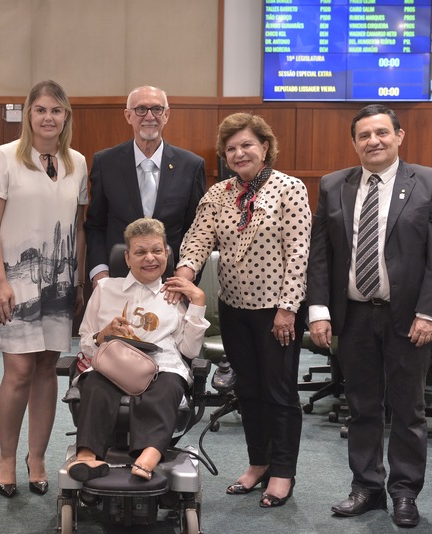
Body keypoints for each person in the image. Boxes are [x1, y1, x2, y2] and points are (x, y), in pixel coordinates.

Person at [307, 104, 432, 528]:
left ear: (399, 136)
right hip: (355, 315)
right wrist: (318, 310)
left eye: (381, 133)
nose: (373, 141)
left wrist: (429, 313)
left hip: (410, 318)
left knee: (408, 409)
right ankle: (367, 487)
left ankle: (405, 491)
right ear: (354, 143)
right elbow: (320, 254)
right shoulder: (333, 184)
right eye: (364, 135)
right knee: (361, 407)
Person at [175, 113, 311, 508]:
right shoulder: (219, 194)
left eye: (247, 144)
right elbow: (197, 241)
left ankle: (282, 471)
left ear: (265, 147)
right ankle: (258, 463)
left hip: (277, 312)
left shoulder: (290, 188)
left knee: (279, 392)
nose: (239, 153)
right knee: (247, 390)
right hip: (234, 309)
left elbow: (299, 254)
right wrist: (182, 280)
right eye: (231, 148)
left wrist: (288, 310)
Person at [0, 80, 87, 498]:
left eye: (56, 110)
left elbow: (78, 228)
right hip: (15, 282)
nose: (48, 117)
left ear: (66, 117)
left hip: (60, 282)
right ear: (28, 114)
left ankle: (37, 458)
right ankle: (7, 457)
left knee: (46, 368)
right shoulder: (5, 157)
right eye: (40, 109)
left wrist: (78, 280)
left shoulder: (77, 162)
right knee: (19, 370)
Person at [67, 218, 208, 482]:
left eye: (156, 250)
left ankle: (149, 456)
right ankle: (87, 456)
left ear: (166, 253)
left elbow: (189, 351)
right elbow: (85, 342)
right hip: (113, 365)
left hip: (162, 366)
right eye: (140, 252)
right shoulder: (105, 289)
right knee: (95, 384)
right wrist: (102, 334)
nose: (150, 258)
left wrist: (198, 302)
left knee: (168, 386)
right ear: (127, 257)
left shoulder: (175, 294)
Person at [84, 85, 206, 286]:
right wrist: (99, 273)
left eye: (157, 109)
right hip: (116, 281)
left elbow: (196, 230)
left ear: (166, 115)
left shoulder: (191, 166)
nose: (149, 116)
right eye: (141, 109)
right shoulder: (105, 163)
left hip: (171, 284)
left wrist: (184, 276)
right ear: (128, 115)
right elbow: (96, 225)